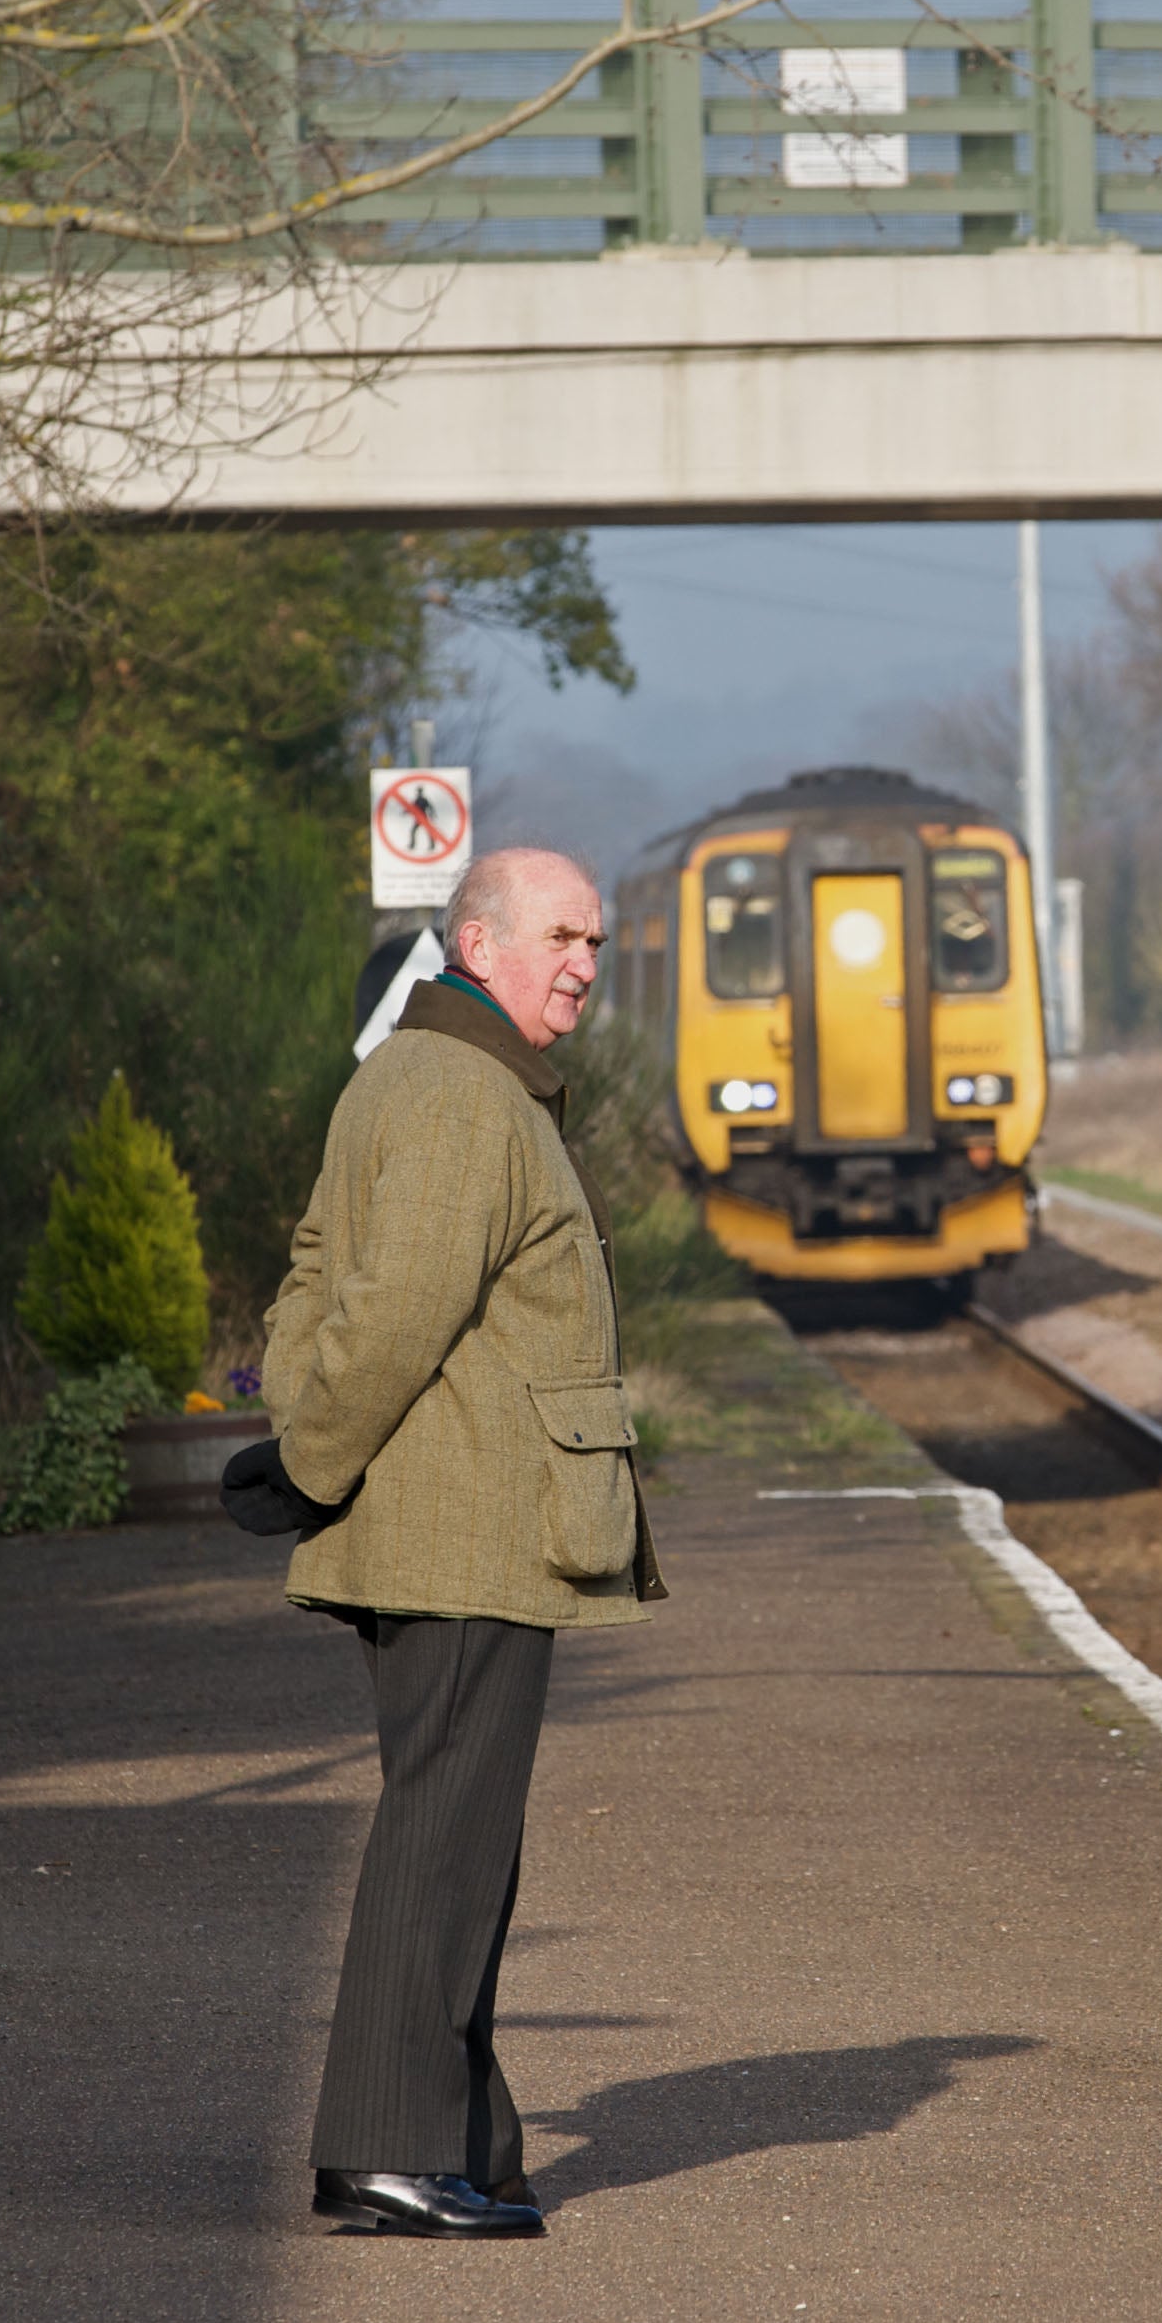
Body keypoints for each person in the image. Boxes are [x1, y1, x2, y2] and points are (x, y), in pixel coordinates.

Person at [263, 845, 662, 2239]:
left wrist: (302, 1430)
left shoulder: (422, 1080)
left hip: (458, 1523)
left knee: (457, 1837)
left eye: (598, 944)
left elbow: (313, 1279)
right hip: (466, 1526)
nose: (585, 967)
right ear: (476, 944)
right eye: (562, 936)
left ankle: (456, 2136)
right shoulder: (462, 1094)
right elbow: (386, 1309)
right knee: (445, 1836)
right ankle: (384, 2148)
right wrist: (310, 1454)